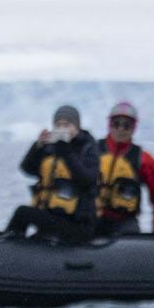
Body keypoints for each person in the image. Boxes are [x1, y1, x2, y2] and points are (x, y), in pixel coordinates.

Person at [6, 104, 100, 242]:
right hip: (53, 218)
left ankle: (8, 247)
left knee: (23, 213)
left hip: (78, 224)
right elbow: (27, 169)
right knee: (23, 214)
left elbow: (87, 180)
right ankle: (11, 244)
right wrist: (37, 146)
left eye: (67, 125)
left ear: (77, 126)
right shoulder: (52, 147)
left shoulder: (88, 147)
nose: (62, 129)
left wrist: (65, 151)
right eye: (58, 125)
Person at [95, 100, 154, 236]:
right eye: (116, 124)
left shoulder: (144, 160)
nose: (121, 129)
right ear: (109, 125)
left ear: (133, 128)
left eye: (126, 125)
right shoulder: (92, 152)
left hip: (125, 222)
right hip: (93, 218)